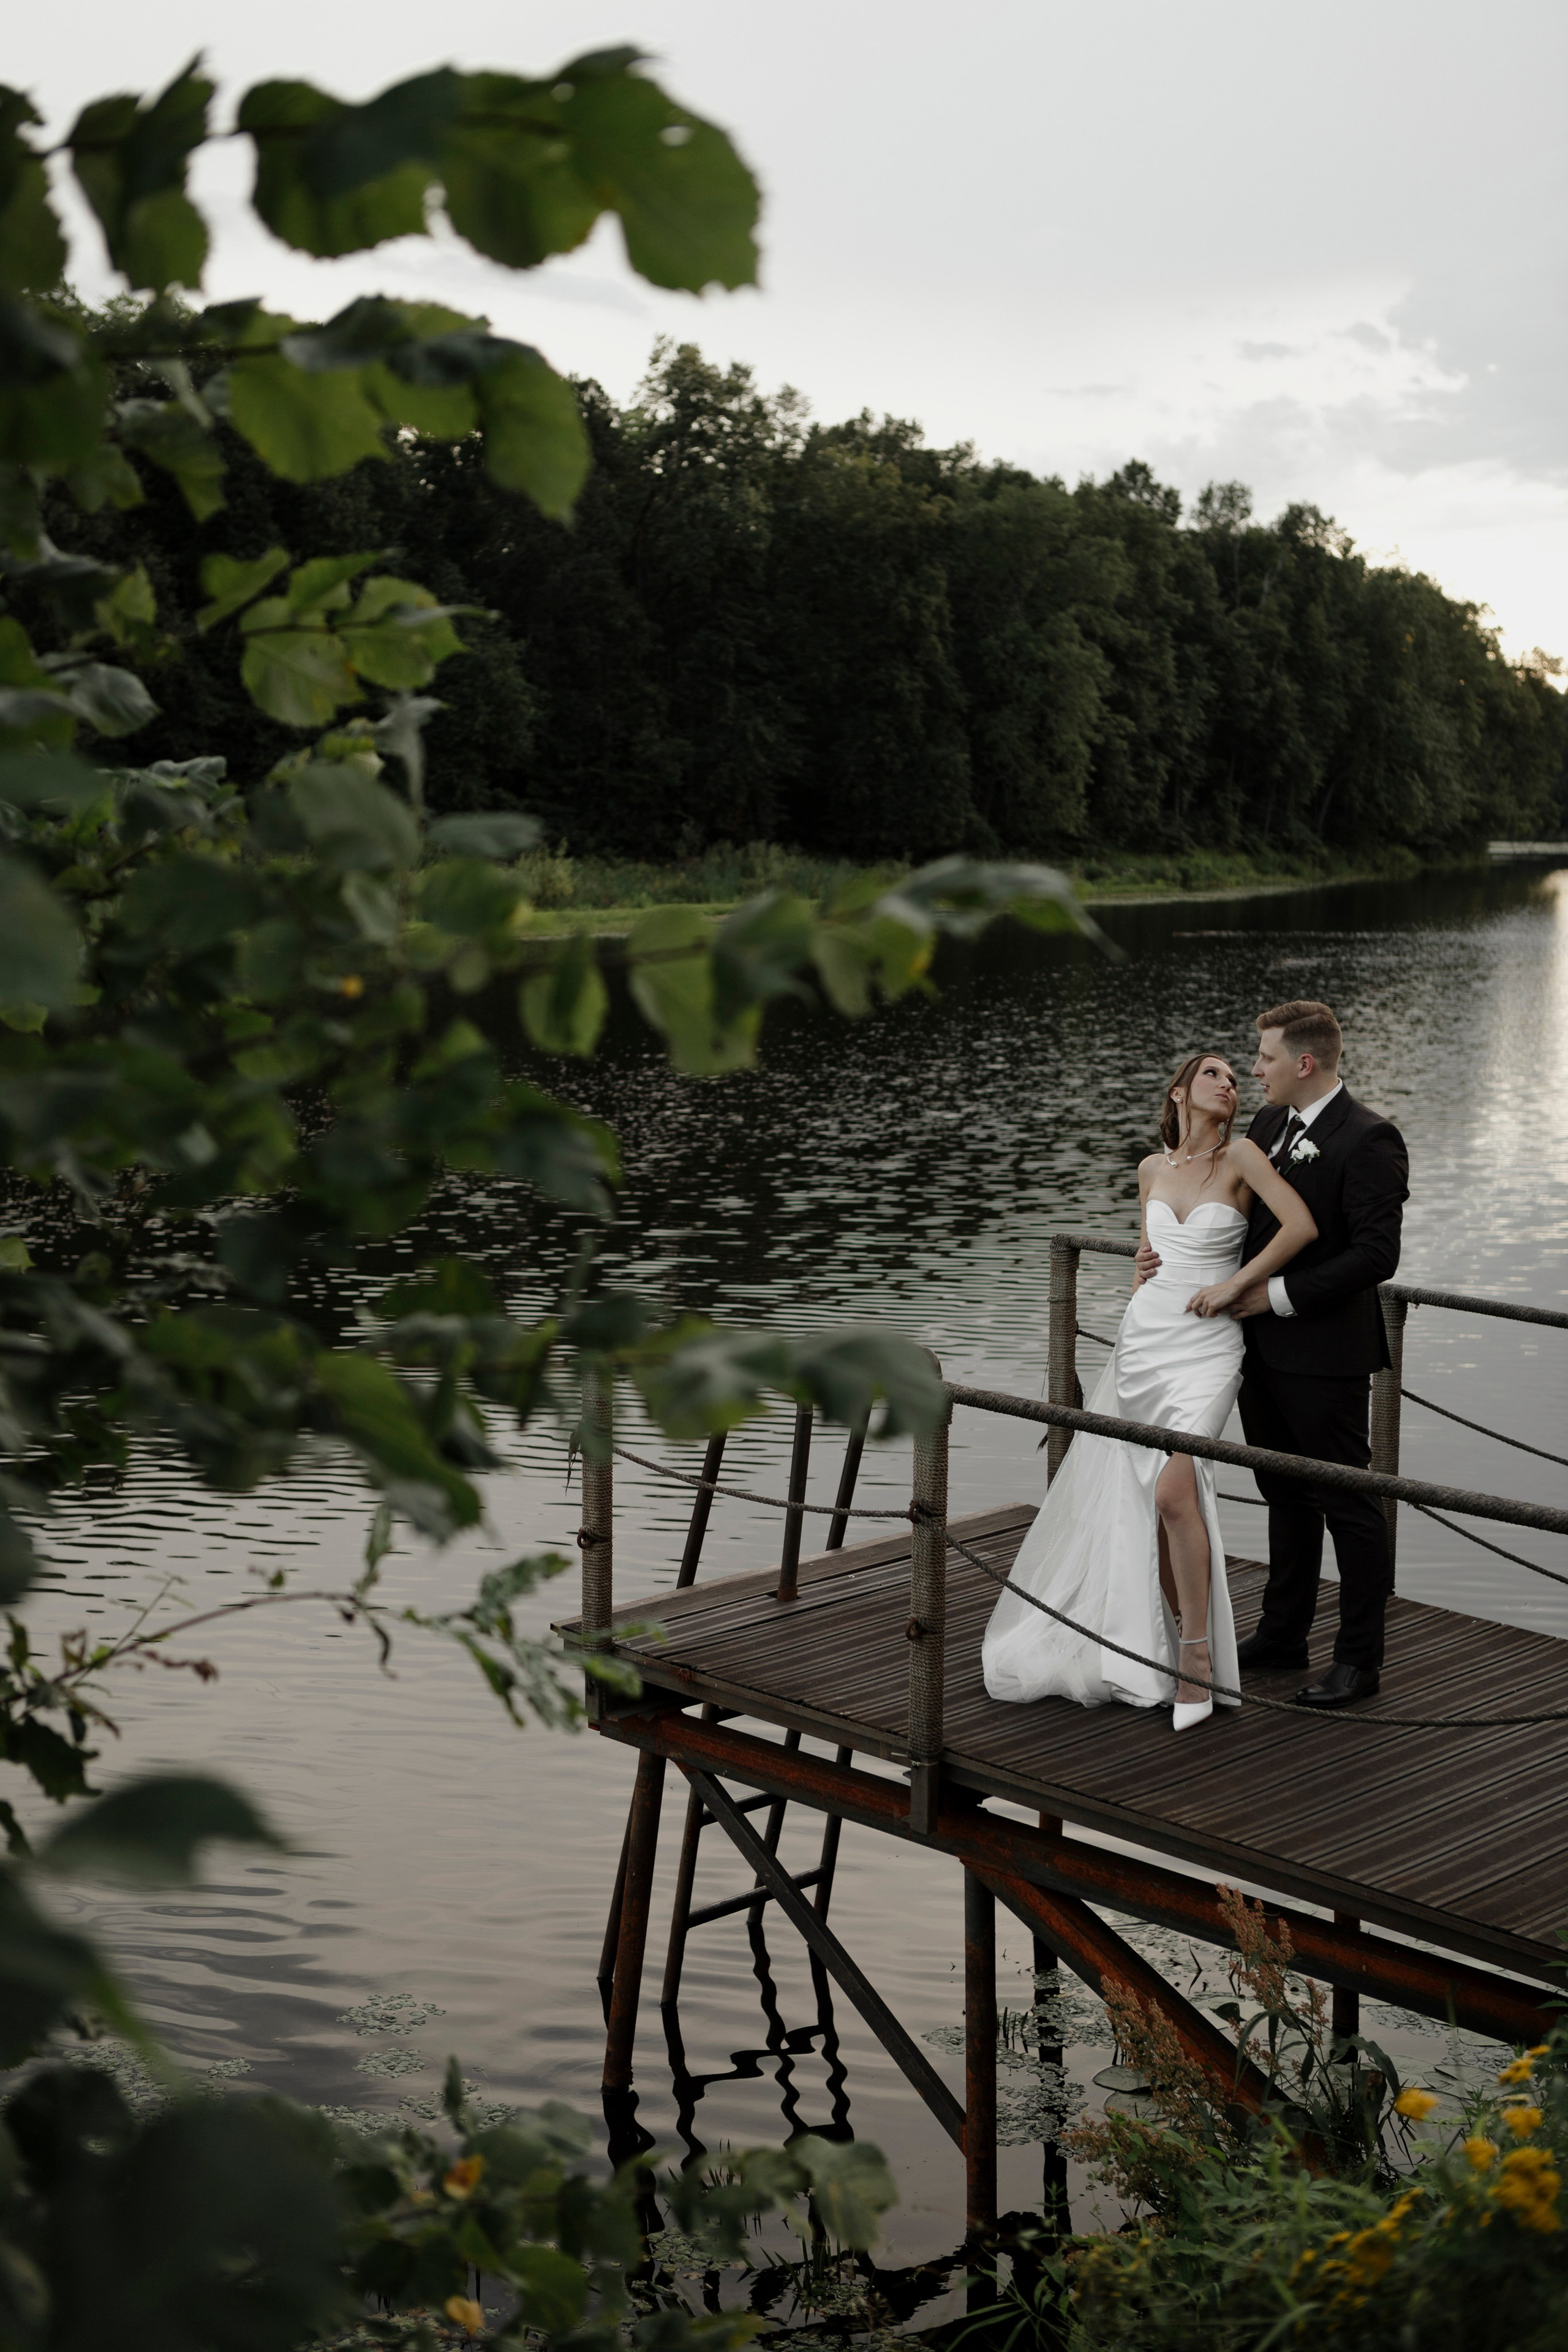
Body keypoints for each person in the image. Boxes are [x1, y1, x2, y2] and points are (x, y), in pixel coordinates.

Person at [982, 1052, 1317, 1730]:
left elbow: (1301, 1227)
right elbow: (1149, 1255)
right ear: (1179, 1092)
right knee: (1145, 1495)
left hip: (1208, 1345)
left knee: (1173, 1489)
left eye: (1233, 1077)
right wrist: (1139, 1267)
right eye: (1213, 1074)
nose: (1229, 1084)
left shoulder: (1245, 1157)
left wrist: (1235, 1284)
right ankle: (1163, 1648)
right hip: (1145, 1340)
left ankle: (1196, 1663)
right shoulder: (1149, 1169)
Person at [1137, 1000, 1407, 1710]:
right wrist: (1162, 1261)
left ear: (1304, 1063)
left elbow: (1376, 1255)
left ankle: (1358, 1661)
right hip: (1251, 1349)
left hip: (1325, 1352)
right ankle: (1283, 1634)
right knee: (1283, 1495)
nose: (1253, 1069)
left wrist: (1276, 1296)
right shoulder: (1264, 1127)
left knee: (1347, 1503)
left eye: (1263, 1058)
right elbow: (1231, 1222)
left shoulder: (1370, 1138)